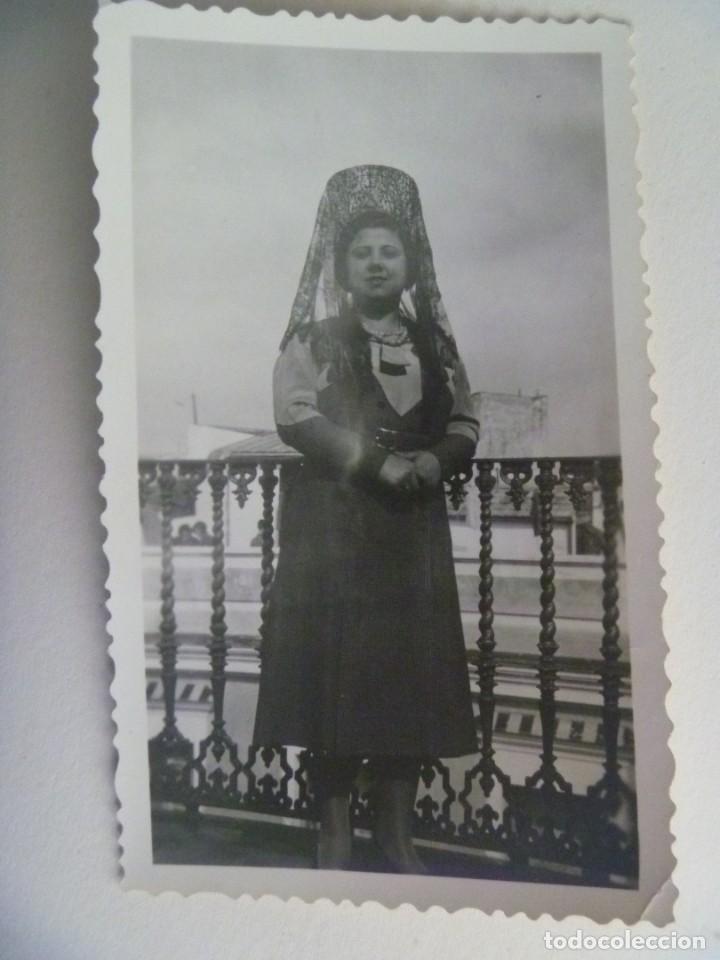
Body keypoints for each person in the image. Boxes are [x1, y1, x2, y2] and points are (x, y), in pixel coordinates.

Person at [252, 165, 479, 873]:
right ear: (342, 268)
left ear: (411, 266)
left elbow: (467, 420)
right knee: (338, 672)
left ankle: (397, 833)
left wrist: (435, 462)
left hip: (411, 534)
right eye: (363, 253)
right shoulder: (314, 340)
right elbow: (295, 414)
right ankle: (333, 832)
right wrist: (371, 462)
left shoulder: (434, 347)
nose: (377, 263)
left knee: (408, 674)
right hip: (338, 527)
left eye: (390, 251)